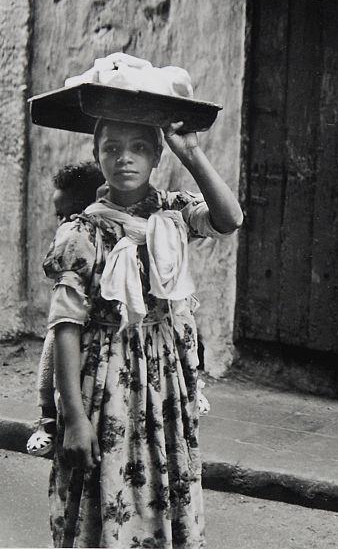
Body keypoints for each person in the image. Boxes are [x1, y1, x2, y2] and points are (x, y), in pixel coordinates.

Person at [44, 117, 243, 548]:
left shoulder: (172, 213)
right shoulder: (81, 232)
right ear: (98, 155)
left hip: (163, 378)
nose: (124, 158)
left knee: (164, 475)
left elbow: (229, 219)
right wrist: (75, 418)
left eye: (138, 147)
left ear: (155, 156)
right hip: (104, 377)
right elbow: (64, 327)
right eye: (111, 148)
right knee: (103, 481)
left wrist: (190, 152)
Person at [27, 163, 105, 458]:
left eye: (72, 211)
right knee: (54, 343)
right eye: (60, 215)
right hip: (76, 309)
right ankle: (47, 416)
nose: (66, 220)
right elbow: (51, 266)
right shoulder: (69, 236)